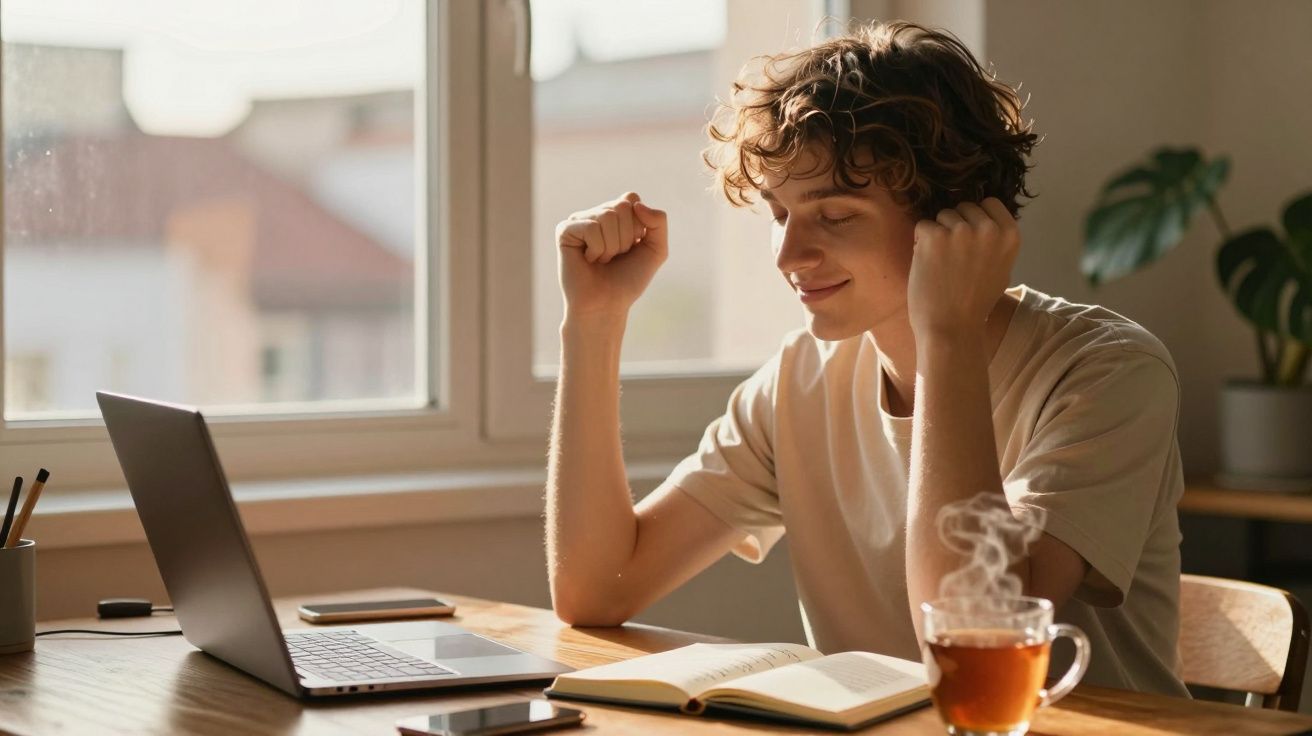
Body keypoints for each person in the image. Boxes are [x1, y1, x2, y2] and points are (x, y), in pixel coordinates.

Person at [544, 20, 1188, 696]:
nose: (790, 256)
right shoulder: (799, 380)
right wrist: (593, 319)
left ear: (957, 219)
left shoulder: (1109, 373)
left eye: (836, 216)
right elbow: (597, 591)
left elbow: (972, 643)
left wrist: (947, 337)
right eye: (778, 212)